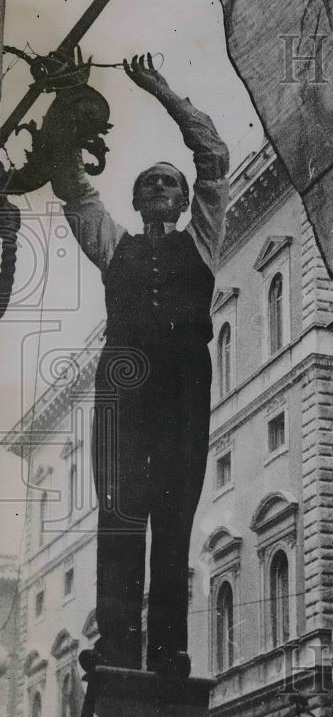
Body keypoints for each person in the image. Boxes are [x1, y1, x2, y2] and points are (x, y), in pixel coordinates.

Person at [51, 54, 229, 677]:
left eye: (170, 184)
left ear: (185, 202)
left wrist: (160, 88)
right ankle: (121, 645)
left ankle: (168, 651)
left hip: (183, 383)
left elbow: (213, 156)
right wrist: (66, 110)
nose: (161, 189)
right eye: (150, 183)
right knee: (120, 508)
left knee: (175, 513)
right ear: (134, 198)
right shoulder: (113, 245)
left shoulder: (204, 240)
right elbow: (71, 186)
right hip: (123, 384)